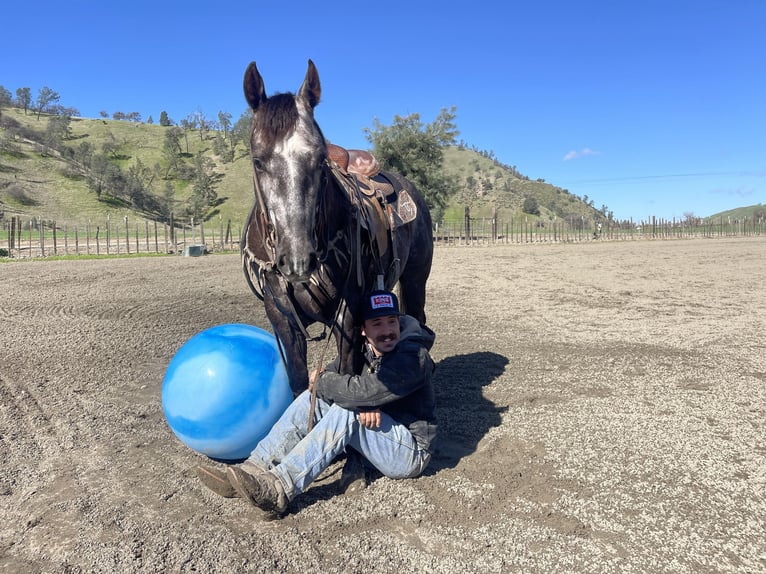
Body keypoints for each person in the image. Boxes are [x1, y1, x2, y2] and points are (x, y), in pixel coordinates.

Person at [195, 289, 437, 517]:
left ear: (400, 322)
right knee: (314, 399)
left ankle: (279, 487)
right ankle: (254, 468)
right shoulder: (364, 350)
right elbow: (330, 380)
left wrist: (344, 391)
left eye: (392, 321)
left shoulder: (414, 357)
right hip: (381, 434)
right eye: (377, 324)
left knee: (346, 409)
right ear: (363, 330)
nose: (387, 330)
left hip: (410, 451)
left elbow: (366, 391)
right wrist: (331, 385)